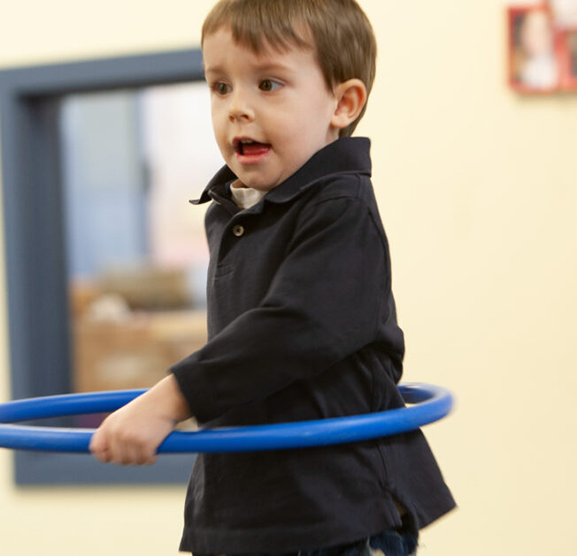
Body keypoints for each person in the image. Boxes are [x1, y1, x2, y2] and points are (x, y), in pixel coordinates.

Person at [89, 1, 456, 554]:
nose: (236, 108)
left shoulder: (341, 208)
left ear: (343, 102)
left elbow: (294, 329)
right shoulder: (231, 210)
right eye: (220, 87)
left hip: (336, 514)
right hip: (243, 514)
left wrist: (169, 399)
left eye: (267, 83)